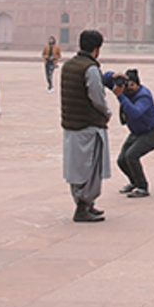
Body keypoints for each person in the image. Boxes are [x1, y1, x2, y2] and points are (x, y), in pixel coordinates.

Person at [59, 30, 112, 222]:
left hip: (71, 124)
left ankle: (85, 204)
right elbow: (97, 97)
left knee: (76, 166)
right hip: (89, 125)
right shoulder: (90, 68)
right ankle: (83, 207)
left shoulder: (68, 66)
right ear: (97, 48)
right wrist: (107, 113)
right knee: (90, 166)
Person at [110, 67, 154, 198]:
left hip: (153, 132)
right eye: (126, 85)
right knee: (121, 160)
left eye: (131, 85)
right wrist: (113, 76)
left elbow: (134, 112)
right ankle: (134, 182)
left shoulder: (143, 96)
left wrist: (120, 96)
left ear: (137, 84)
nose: (128, 88)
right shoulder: (127, 94)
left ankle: (142, 187)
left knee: (131, 155)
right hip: (137, 132)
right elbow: (105, 80)